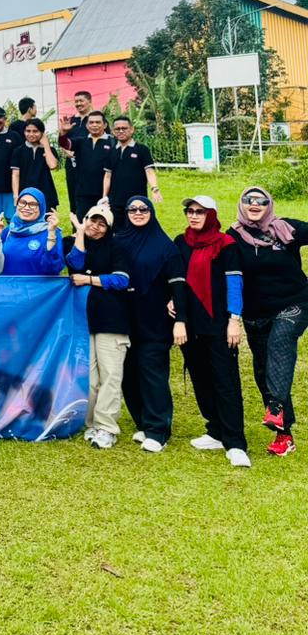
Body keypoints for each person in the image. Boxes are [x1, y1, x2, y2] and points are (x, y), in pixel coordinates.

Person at [229, 186, 308, 456]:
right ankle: (284, 435)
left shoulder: (286, 229)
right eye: (248, 200)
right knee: (264, 371)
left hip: (294, 303)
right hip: (256, 313)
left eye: (261, 201)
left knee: (280, 341)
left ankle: (275, 406)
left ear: (269, 205)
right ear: (241, 204)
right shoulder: (233, 237)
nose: (254, 204)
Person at [174, 196, 248, 467]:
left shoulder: (226, 244)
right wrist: (173, 303)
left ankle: (235, 443)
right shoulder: (181, 242)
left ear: (212, 215)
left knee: (225, 383)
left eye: (200, 212)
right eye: (190, 211)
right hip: (191, 325)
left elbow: (235, 283)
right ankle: (215, 430)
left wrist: (234, 320)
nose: (193, 216)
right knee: (201, 379)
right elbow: (176, 280)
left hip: (219, 325)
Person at [116, 197, 186, 454]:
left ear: (152, 212)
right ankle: (144, 423)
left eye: (143, 209)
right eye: (132, 209)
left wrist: (180, 319)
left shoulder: (165, 247)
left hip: (155, 322)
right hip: (124, 320)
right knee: (128, 374)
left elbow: (178, 284)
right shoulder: (118, 240)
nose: (138, 212)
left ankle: (159, 430)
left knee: (152, 374)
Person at [65, 206, 132, 449]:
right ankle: (92, 423)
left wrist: (91, 280)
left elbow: (122, 280)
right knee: (90, 378)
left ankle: (107, 427)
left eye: (102, 224)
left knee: (110, 375)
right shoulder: (73, 242)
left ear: (109, 228)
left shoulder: (117, 246)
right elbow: (75, 263)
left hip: (112, 320)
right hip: (84, 321)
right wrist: (80, 233)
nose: (96, 226)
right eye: (92, 220)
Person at [63, 110, 114, 220]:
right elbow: (64, 144)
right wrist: (63, 133)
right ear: (87, 126)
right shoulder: (81, 142)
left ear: (105, 125)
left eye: (98, 122)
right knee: (82, 223)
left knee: (104, 223)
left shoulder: (113, 142)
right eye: (91, 122)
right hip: (83, 193)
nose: (94, 125)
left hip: (106, 194)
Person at [1, 188, 64, 276]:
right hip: (8, 284)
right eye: (22, 202)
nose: (26, 207)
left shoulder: (51, 232)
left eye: (33, 204)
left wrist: (51, 235)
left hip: (37, 285)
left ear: (41, 207)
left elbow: (53, 269)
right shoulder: (9, 231)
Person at [107, 117, 161, 218]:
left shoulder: (142, 149)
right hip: (115, 201)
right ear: (113, 132)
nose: (121, 131)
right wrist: (104, 197)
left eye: (124, 128)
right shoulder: (111, 151)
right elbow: (107, 176)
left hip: (137, 201)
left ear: (132, 129)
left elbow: (149, 171)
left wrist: (154, 188)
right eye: (117, 129)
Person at [11, 118, 60, 212]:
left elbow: (53, 165)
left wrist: (46, 145)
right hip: (25, 194)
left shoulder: (50, 150)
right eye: (28, 131)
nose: (31, 134)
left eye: (35, 131)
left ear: (42, 133)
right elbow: (15, 174)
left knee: (48, 220)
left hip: (46, 194)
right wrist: (16, 195)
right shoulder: (18, 151)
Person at [59, 90, 94, 216]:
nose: (78, 104)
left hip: (91, 165)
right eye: (76, 101)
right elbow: (62, 141)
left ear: (89, 101)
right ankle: (76, 224)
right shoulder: (71, 121)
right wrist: (65, 151)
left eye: (81, 101)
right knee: (73, 196)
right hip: (73, 165)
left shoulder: (96, 120)